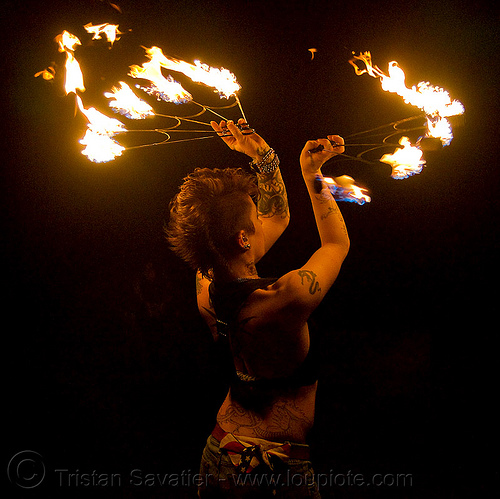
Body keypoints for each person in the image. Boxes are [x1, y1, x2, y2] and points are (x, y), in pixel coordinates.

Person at [166, 118, 349, 497]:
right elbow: (335, 245)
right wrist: (312, 173)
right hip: (273, 467)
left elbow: (277, 216)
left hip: (220, 448)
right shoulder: (286, 297)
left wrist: (265, 158)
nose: (262, 219)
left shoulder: (206, 282)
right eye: (254, 217)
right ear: (243, 237)